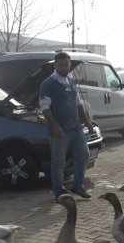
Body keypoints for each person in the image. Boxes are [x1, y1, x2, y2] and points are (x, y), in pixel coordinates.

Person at [39, 52, 95, 201]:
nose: (64, 68)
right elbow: (45, 108)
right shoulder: (48, 84)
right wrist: (55, 126)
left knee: (84, 156)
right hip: (59, 131)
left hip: (76, 128)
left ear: (70, 65)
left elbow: (78, 104)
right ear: (55, 65)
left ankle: (77, 186)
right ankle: (59, 191)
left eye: (67, 65)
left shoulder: (71, 81)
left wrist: (88, 122)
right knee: (58, 162)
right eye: (61, 65)